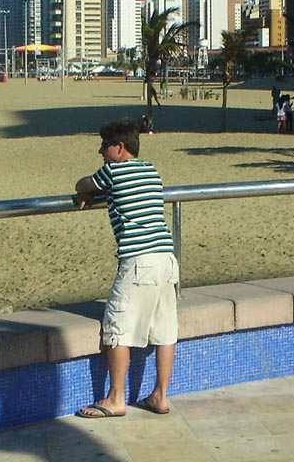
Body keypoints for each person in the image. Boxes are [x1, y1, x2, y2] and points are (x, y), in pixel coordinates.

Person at [73, 119, 178, 419]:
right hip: (166, 258)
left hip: (138, 261)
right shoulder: (151, 170)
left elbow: (82, 185)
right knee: (165, 330)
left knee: (117, 329)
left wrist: (87, 193)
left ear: (119, 148)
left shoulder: (113, 171)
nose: (101, 152)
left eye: (104, 146)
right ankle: (159, 395)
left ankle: (116, 398)